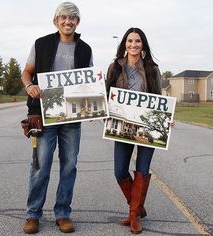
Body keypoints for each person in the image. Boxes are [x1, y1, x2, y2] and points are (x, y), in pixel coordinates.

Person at [21, 2, 93, 234]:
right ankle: (33, 214)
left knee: (69, 166)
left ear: (77, 22)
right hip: (44, 114)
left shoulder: (85, 49)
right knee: (40, 166)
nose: (68, 22)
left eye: (72, 18)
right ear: (56, 21)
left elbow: (88, 83)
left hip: (72, 117)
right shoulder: (41, 44)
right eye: (63, 18)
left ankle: (63, 213)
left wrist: (94, 106)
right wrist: (29, 85)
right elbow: (26, 72)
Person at [106, 27, 162, 234]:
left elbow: (160, 99)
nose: (133, 45)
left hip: (147, 127)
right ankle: (137, 208)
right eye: (130, 41)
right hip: (122, 127)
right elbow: (106, 95)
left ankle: (134, 215)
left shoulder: (152, 69)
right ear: (124, 44)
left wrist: (166, 120)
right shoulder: (115, 67)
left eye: (137, 41)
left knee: (142, 170)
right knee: (119, 171)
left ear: (143, 45)